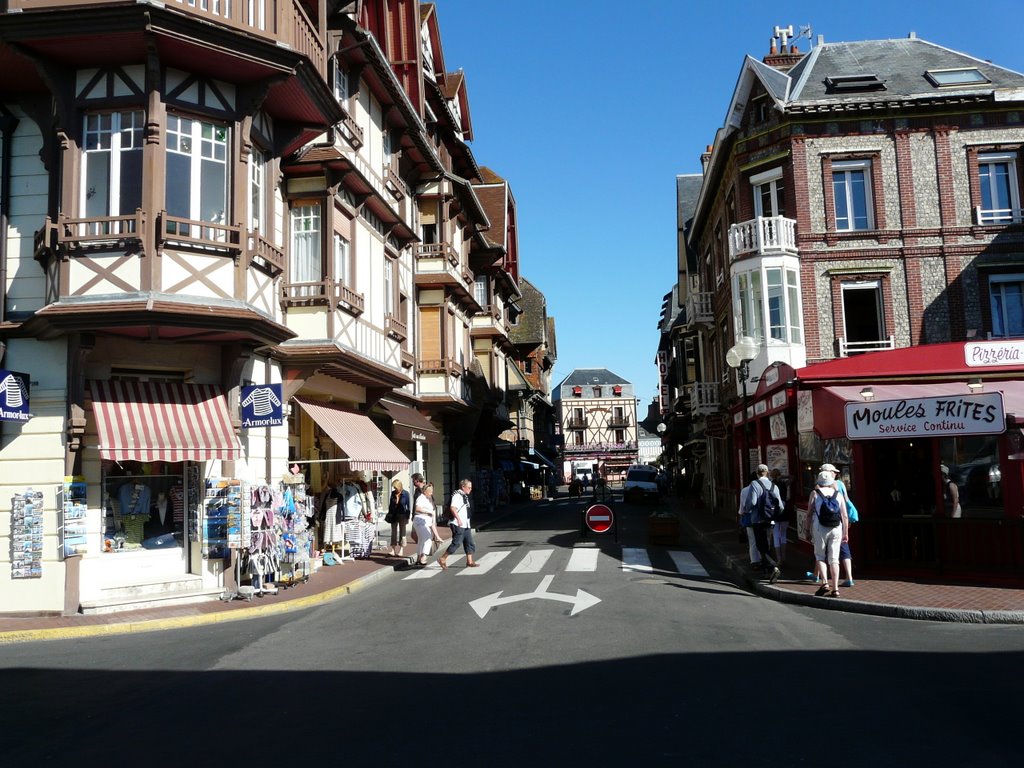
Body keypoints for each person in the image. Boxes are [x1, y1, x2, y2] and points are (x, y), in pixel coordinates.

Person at [804, 470, 849, 598]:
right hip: (836, 528)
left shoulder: (814, 493)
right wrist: (845, 532)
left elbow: (808, 514)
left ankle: (824, 583)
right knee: (834, 559)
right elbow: (844, 516)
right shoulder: (838, 494)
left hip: (820, 528)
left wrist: (807, 530)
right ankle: (835, 589)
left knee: (820, 556)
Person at [744, 464, 782, 583]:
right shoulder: (774, 486)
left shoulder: (755, 484)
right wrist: (773, 515)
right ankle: (767, 571)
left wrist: (746, 510)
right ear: (767, 473)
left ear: (757, 473)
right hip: (770, 520)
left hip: (758, 519)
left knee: (761, 545)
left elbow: (752, 501)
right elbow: (780, 506)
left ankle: (773, 565)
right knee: (767, 544)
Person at [821, 462, 856, 587]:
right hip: (840, 520)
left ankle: (824, 581)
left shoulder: (818, 488)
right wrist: (848, 521)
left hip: (824, 524)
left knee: (822, 552)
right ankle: (849, 577)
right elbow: (846, 502)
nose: (836, 474)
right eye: (834, 472)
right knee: (844, 548)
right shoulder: (840, 484)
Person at [439, 478, 478, 570]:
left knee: (469, 542)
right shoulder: (457, 495)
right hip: (458, 523)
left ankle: (470, 561)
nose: (470, 489)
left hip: (466, 524)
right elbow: (453, 508)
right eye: (469, 487)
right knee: (457, 543)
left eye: (471, 487)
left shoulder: (464, 495)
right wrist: (458, 519)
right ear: (463, 487)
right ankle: (443, 558)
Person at [411, 482, 441, 567]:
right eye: (430, 491)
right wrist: (428, 512)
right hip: (420, 521)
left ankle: (418, 558)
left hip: (425, 522)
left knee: (421, 540)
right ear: (425, 491)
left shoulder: (427, 499)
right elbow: (417, 508)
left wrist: (438, 536)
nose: (431, 493)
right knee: (427, 538)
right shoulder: (421, 498)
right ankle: (423, 556)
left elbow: (432, 523)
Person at [737, 471, 761, 571]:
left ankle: (755, 561)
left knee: (752, 541)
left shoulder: (745, 490)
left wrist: (741, 514)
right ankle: (764, 559)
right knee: (764, 539)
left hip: (749, 516)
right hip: (761, 517)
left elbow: (742, 507)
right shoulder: (762, 488)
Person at [770, 468, 791, 567]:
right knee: (783, 535)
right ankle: (784, 557)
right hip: (784, 510)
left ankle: (779, 559)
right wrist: (783, 477)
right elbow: (792, 478)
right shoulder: (784, 484)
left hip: (774, 512)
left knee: (776, 535)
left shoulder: (771, 485)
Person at [387, 479, 411, 558]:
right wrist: (389, 514)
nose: (395, 489)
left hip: (402, 515)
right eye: (394, 488)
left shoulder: (406, 494)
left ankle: (401, 550)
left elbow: (408, 506)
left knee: (402, 532)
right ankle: (393, 550)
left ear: (399, 486)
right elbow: (391, 504)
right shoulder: (393, 493)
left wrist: (407, 517)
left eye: (396, 487)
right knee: (393, 532)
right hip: (394, 514)